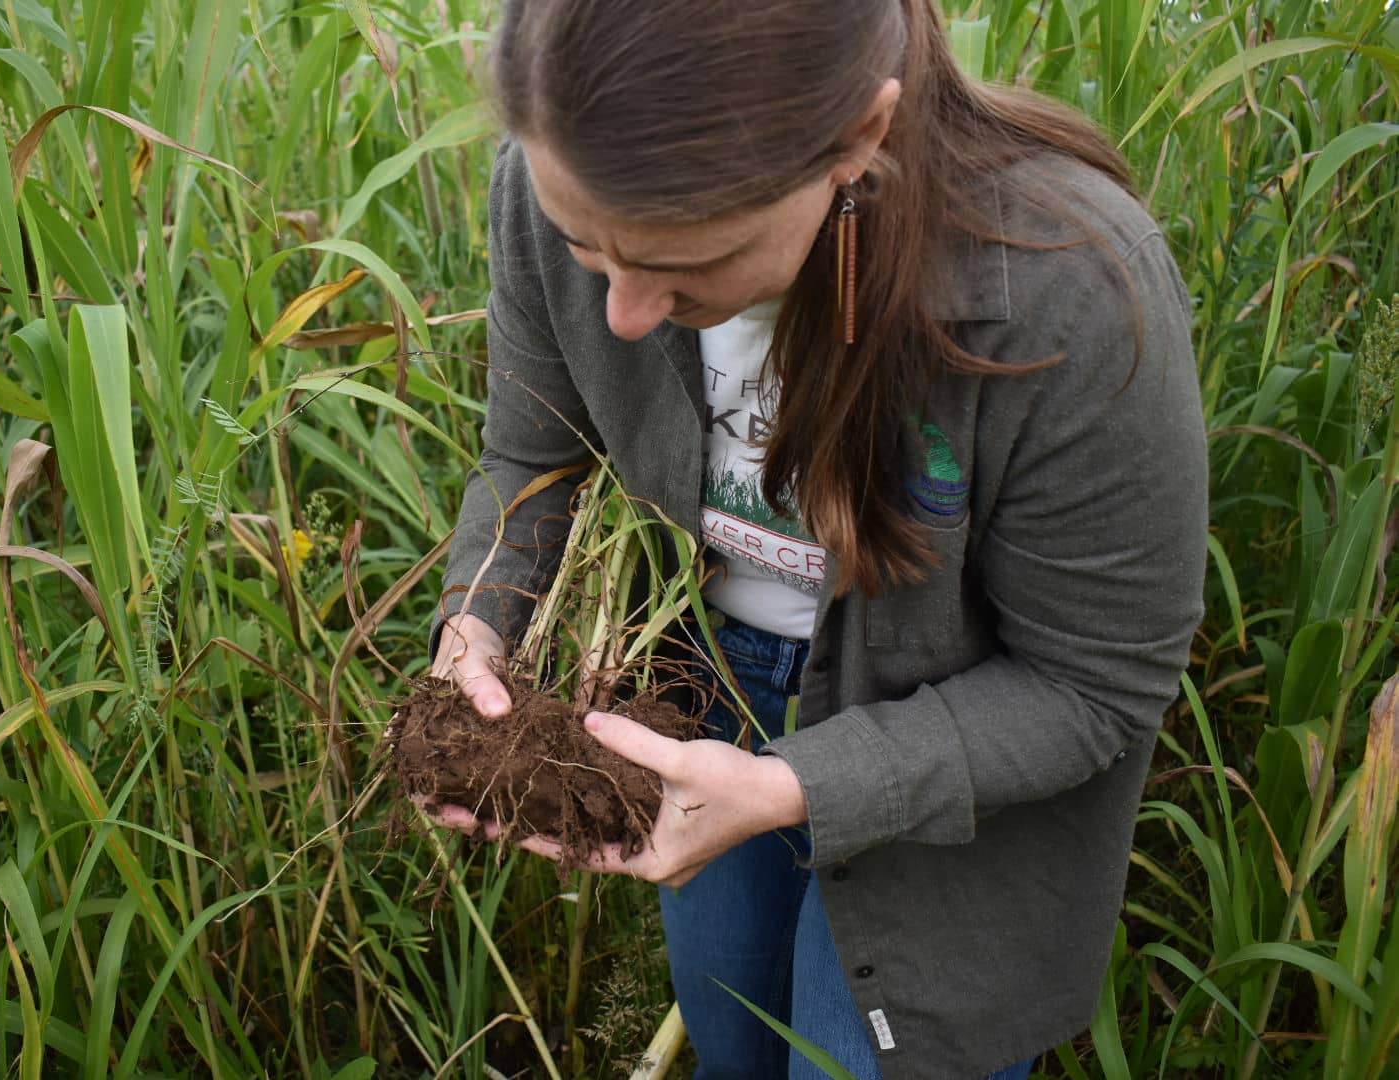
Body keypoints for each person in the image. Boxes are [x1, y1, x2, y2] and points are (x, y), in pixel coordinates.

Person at [423, 1, 1208, 1077]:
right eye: (587, 251)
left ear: (857, 141)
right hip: (706, 700)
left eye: (692, 265)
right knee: (735, 1038)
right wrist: (480, 620)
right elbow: (533, 460)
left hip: (952, 755)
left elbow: (1094, 682)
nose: (626, 313)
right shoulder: (558, 172)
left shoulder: (1068, 286)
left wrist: (797, 786)